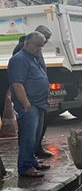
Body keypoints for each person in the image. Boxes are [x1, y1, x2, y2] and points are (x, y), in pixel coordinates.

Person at [8, 32, 51, 177]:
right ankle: (25, 167)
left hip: (39, 104)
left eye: (42, 46)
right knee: (28, 137)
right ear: (27, 43)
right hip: (29, 105)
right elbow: (17, 84)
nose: (40, 49)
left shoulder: (32, 58)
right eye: (37, 45)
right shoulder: (19, 59)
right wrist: (26, 104)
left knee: (35, 136)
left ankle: (32, 161)